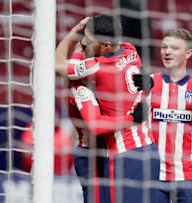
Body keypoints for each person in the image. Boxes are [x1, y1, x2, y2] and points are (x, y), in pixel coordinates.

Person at [55, 15, 159, 203]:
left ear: (106, 46)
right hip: (146, 148)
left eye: (89, 40)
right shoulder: (130, 49)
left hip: (122, 153)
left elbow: (56, 65)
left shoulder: (96, 67)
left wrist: (74, 33)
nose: (85, 42)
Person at [134, 28, 192, 202]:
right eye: (164, 47)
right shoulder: (148, 83)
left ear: (189, 53)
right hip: (153, 174)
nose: (167, 52)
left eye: (174, 48)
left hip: (189, 175)